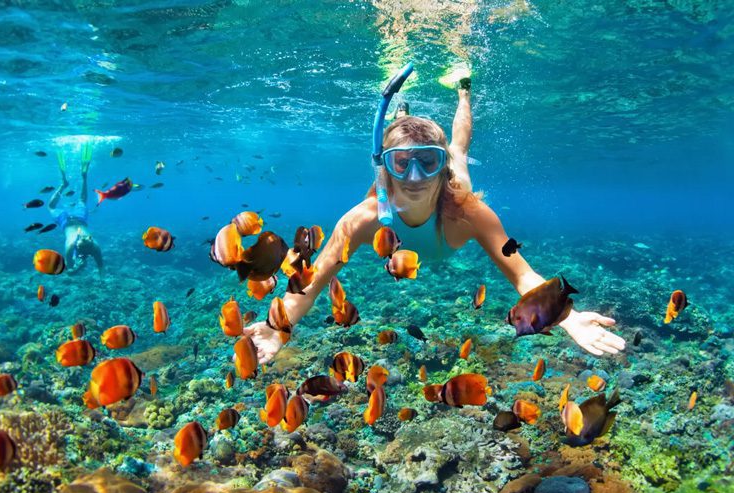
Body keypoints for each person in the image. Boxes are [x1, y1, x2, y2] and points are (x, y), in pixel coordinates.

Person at [243, 79, 625, 363]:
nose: (414, 178)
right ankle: (402, 118)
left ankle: (462, 90)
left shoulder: (469, 212)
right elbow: (312, 280)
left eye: (428, 162)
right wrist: (279, 328)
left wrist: (565, 315)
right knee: (409, 139)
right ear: (385, 169)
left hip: (454, 187)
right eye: (400, 163)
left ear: (442, 170)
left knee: (459, 148)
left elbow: (522, 274)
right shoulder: (363, 219)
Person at [48, 143, 104, 276]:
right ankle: (64, 184)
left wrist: (77, 266)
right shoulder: (78, 246)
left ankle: (78, 179)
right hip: (65, 220)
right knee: (51, 207)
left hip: (79, 218)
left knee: (82, 200)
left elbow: (100, 267)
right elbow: (71, 270)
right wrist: (77, 268)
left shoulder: (92, 246)